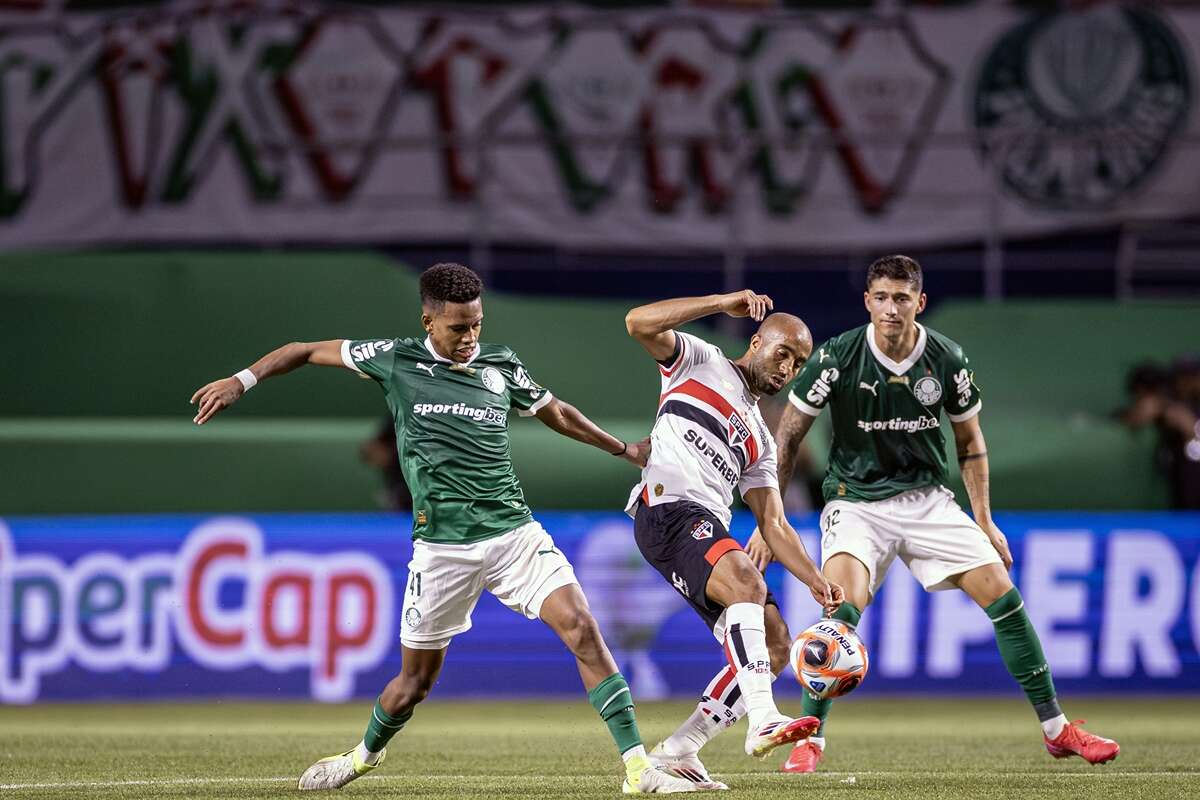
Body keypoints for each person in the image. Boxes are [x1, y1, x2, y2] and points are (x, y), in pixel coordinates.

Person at [189, 263, 702, 794]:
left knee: (582, 628)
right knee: (414, 684)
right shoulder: (393, 359)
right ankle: (363, 756)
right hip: (442, 552)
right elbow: (301, 349)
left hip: (513, 535)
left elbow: (558, 413)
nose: (470, 337)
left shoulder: (501, 366)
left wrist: (622, 449)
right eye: (458, 328)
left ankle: (638, 769)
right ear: (428, 321)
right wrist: (240, 380)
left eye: (477, 324)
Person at [746, 255, 1120, 772]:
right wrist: (773, 520)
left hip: (927, 501)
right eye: (881, 297)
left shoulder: (946, 359)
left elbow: (970, 443)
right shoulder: (837, 357)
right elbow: (786, 437)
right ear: (867, 302)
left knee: (1004, 598)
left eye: (902, 298)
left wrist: (985, 519)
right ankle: (812, 739)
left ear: (919, 302)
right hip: (855, 503)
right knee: (840, 610)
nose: (891, 309)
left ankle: (1057, 731)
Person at [622, 290, 843, 788]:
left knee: (778, 644)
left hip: (704, 527)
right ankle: (764, 719)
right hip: (667, 510)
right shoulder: (700, 362)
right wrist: (721, 304)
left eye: (800, 362)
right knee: (747, 579)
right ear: (757, 340)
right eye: (783, 352)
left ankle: (681, 749)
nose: (789, 368)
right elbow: (638, 322)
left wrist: (815, 579)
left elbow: (775, 524)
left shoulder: (761, 441)